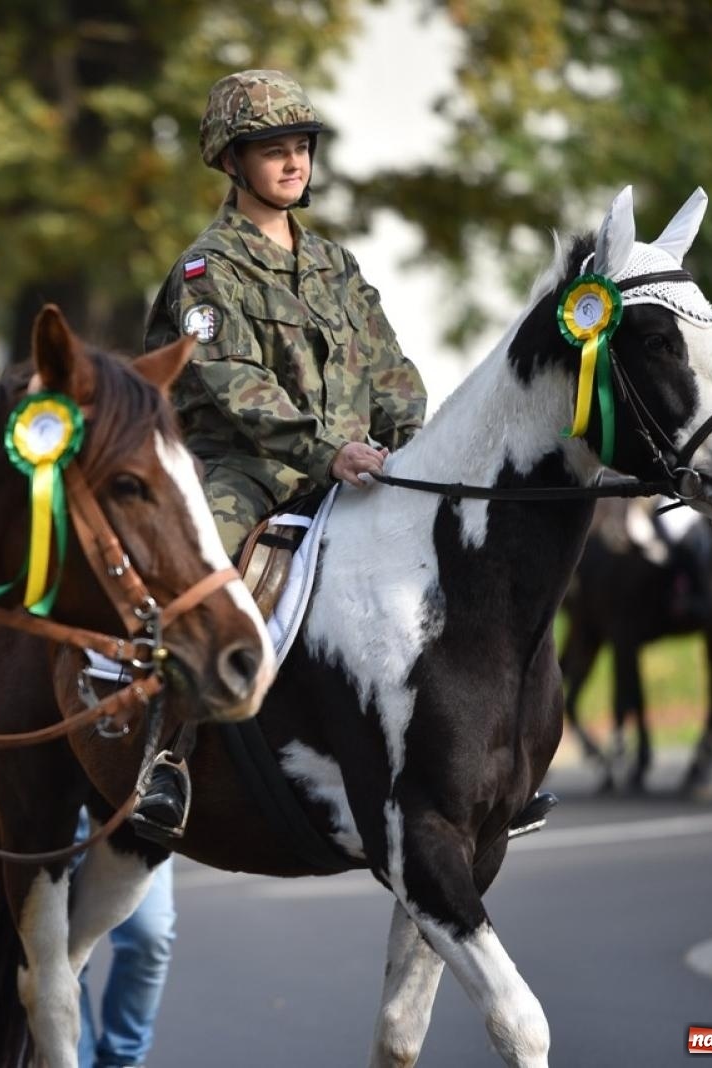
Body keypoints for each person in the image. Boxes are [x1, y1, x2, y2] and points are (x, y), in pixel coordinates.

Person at [134, 70, 428, 836]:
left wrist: (414, 445)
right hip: (249, 470)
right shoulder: (208, 271)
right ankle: (164, 760)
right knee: (204, 582)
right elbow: (234, 385)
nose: (293, 163)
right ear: (232, 162)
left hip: (357, 464)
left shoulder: (337, 265)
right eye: (272, 150)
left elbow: (391, 369)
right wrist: (329, 450)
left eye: (301, 147)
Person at [77, 824, 176, 1068]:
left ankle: (123, 1060)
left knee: (150, 935)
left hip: (138, 813)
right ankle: (79, 1060)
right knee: (66, 956)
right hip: (64, 813)